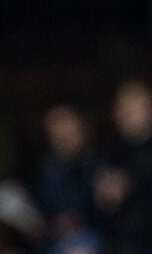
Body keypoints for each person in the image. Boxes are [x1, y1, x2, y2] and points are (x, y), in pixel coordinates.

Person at [93, 79, 152, 254]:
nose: (126, 115)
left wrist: (129, 185)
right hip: (115, 240)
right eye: (122, 108)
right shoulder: (111, 151)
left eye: (133, 109)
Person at [33, 105, 103, 254]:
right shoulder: (46, 167)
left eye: (66, 123)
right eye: (55, 126)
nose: (62, 133)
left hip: (95, 237)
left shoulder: (99, 160)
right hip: (55, 240)